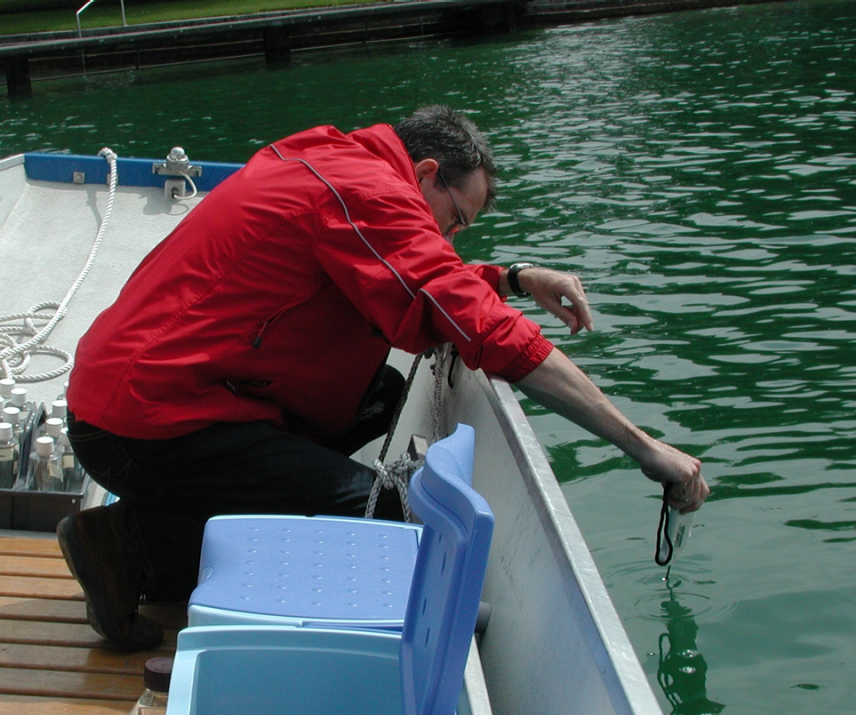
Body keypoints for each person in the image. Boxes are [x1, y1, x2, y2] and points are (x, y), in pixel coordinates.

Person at [57, 105, 710, 650]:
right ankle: (201, 604)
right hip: (146, 422)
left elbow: (417, 271)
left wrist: (511, 277)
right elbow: (485, 328)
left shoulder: (334, 161)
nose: (451, 239)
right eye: (456, 220)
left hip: (132, 403)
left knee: (376, 399)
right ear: (426, 173)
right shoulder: (367, 191)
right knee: (382, 512)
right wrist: (646, 449)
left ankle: (127, 544)